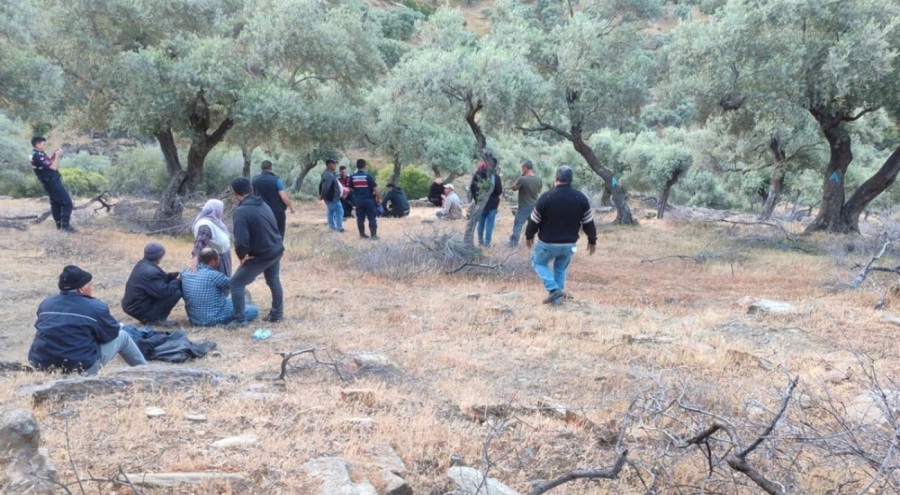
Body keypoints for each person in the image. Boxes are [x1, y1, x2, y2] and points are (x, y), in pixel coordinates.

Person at [28, 265, 147, 374]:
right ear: (81, 289)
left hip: (42, 365)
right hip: (79, 368)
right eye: (90, 285)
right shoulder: (95, 307)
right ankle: (147, 372)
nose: (92, 287)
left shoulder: (46, 303)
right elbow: (110, 335)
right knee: (123, 336)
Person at [525, 165, 597, 305]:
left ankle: (553, 289)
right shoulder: (580, 198)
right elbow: (588, 222)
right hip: (569, 244)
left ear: (556, 179)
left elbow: (534, 221)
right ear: (571, 180)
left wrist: (529, 235)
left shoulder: (546, 197)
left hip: (548, 243)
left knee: (538, 262)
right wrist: (592, 240)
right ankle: (557, 300)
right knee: (560, 268)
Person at [229, 176, 285, 326]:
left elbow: (240, 241)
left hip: (263, 254)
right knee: (273, 280)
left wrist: (242, 255)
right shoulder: (263, 204)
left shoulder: (241, 211)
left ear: (234, 193)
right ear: (251, 189)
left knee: (235, 283)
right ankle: (277, 313)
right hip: (276, 248)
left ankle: (239, 320)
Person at [182, 248, 259, 326]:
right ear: (212, 262)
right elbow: (235, 284)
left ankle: (246, 304)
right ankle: (247, 306)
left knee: (233, 300)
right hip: (214, 318)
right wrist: (244, 267)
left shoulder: (185, 273)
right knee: (253, 310)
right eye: (218, 259)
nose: (219, 261)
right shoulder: (213, 275)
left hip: (194, 319)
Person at [122, 242, 183, 326]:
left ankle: (149, 317)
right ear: (158, 257)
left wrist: (173, 275)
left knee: (173, 288)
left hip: (133, 305)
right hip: (137, 309)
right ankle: (156, 319)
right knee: (176, 293)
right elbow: (165, 292)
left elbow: (161, 279)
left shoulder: (143, 264)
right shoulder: (151, 273)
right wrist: (177, 281)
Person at [30, 136, 76, 232]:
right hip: (51, 182)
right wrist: (58, 156)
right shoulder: (37, 155)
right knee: (67, 203)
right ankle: (65, 227)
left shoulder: (37, 153)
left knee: (56, 204)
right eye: (43, 144)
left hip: (49, 182)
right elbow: (54, 167)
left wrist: (54, 155)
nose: (45, 146)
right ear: (37, 145)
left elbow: (48, 162)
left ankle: (59, 226)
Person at [251, 160, 295, 239]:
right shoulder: (276, 180)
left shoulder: (254, 180)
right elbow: (283, 196)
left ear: (261, 168)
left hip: (260, 211)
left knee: (262, 234)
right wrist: (291, 207)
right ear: (271, 168)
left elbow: (251, 194)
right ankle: (278, 249)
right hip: (276, 212)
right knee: (279, 233)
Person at [190, 199, 233, 276]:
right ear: (216, 210)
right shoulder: (205, 225)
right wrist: (195, 258)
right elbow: (200, 242)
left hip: (221, 257)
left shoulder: (213, 221)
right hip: (213, 260)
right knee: (217, 282)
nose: (222, 212)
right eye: (221, 209)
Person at [508, 160, 543, 247]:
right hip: (535, 206)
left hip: (524, 206)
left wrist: (518, 178)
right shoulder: (538, 179)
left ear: (525, 168)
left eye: (522, 168)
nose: (522, 170)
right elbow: (539, 191)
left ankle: (513, 243)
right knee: (532, 226)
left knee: (518, 224)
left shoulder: (523, 179)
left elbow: (514, 188)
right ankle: (530, 243)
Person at [469, 162, 503, 247]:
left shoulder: (477, 174)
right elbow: (499, 190)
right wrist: (494, 196)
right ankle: (487, 243)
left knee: (480, 223)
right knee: (490, 224)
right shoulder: (495, 176)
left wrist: (477, 199)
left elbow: (472, 188)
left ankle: (480, 242)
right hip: (493, 204)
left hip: (481, 203)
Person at [350, 159, 381, 240]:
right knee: (371, 218)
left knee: (360, 218)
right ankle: (373, 235)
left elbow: (350, 189)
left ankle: (362, 234)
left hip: (359, 201)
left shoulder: (352, 177)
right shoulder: (368, 176)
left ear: (357, 166)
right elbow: (376, 189)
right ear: (364, 166)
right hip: (369, 200)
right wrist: (378, 198)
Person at [318, 159, 344, 232]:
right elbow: (325, 187)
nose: (335, 165)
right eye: (334, 164)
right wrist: (322, 196)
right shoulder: (328, 174)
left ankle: (332, 227)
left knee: (330, 212)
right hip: (332, 198)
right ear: (329, 165)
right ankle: (339, 228)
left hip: (331, 198)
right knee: (339, 212)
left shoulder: (329, 173)